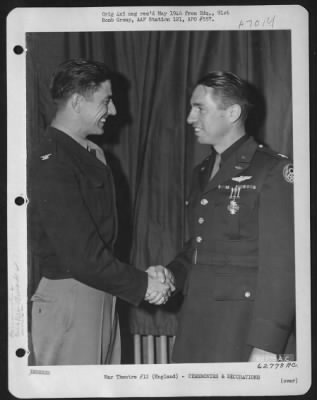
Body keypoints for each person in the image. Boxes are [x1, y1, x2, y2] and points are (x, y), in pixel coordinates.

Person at [29, 59, 174, 366]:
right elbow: (81, 255)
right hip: (71, 299)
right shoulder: (52, 159)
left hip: (100, 292)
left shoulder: (89, 152)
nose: (114, 111)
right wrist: (143, 284)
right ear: (78, 102)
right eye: (106, 101)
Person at [152, 71, 295, 363]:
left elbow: (282, 265)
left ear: (232, 112)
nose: (190, 118)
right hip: (197, 323)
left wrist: (268, 343)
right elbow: (199, 246)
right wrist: (172, 275)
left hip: (242, 329)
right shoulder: (202, 171)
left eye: (199, 108)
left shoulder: (271, 171)